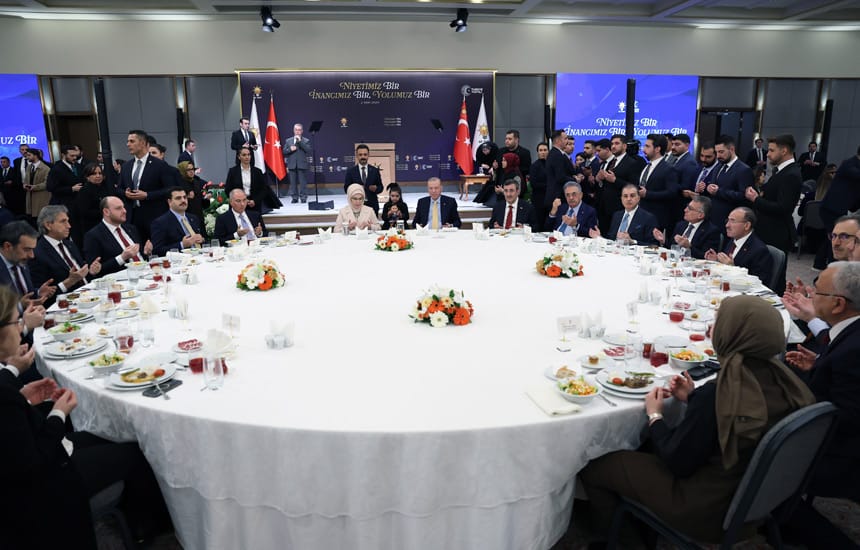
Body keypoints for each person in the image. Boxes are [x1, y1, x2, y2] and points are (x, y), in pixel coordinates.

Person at [580, 295, 814, 544]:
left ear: (730, 335)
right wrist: (693, 399)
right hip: (754, 499)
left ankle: (622, 540)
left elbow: (676, 462)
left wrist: (655, 415)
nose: (713, 329)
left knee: (595, 466)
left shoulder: (718, 393)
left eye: (718, 324)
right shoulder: (788, 383)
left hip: (705, 509)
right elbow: (732, 420)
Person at [0, 286, 172, 549]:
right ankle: (145, 529)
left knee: (109, 434)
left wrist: (23, 396)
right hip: (45, 486)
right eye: (17, 322)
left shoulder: (6, 392)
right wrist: (59, 413)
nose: (21, 327)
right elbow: (33, 461)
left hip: (36, 460)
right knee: (136, 451)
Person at [784, 262, 860, 549]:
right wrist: (819, 364)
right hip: (839, 431)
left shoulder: (853, 350)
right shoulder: (849, 332)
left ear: (838, 304)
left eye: (817, 292)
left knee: (756, 459)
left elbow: (843, 418)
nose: (810, 295)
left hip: (842, 457)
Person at [745, 134, 802, 254]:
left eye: (771, 150)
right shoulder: (782, 171)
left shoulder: (791, 174)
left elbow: (783, 207)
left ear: (784, 151)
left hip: (776, 234)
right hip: (768, 231)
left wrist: (756, 199)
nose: (767, 154)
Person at [30, 205, 100, 296]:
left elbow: (81, 276)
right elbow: (42, 294)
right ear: (48, 225)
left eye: (68, 221)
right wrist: (68, 282)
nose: (69, 226)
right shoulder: (37, 253)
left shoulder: (69, 244)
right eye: (63, 222)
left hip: (90, 293)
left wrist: (91, 272)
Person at [117, 130, 174, 242]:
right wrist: (125, 193)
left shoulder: (160, 165)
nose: (128, 144)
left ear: (143, 143)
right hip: (132, 217)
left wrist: (147, 195)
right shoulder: (126, 166)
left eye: (132, 141)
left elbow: (170, 189)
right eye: (128, 141)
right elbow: (118, 188)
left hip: (154, 215)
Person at [82, 196, 153, 278]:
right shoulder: (93, 236)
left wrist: (147, 253)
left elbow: (141, 258)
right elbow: (95, 271)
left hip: (146, 274)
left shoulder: (131, 228)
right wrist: (122, 258)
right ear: (106, 212)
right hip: (122, 280)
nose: (124, 211)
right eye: (119, 208)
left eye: (124, 207)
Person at [705, 207, 774, 289]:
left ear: (747, 225)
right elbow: (726, 267)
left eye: (732, 221)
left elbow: (758, 283)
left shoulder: (759, 250)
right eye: (727, 221)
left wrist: (733, 268)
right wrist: (716, 261)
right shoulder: (733, 240)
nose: (727, 225)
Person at [704, 135, 754, 231]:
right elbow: (714, 188)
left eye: (721, 152)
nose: (718, 156)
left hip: (730, 220)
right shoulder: (718, 166)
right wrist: (706, 188)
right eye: (716, 152)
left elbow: (744, 197)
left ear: (731, 149)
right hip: (713, 217)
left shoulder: (744, 170)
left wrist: (718, 191)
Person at [595, 134, 643, 235]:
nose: (613, 146)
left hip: (619, 208)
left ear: (624, 146)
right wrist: (598, 179)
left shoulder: (632, 163)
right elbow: (604, 183)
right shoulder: (610, 162)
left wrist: (615, 180)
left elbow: (634, 186)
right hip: (604, 208)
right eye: (612, 144)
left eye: (617, 143)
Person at [0, 221, 57, 304]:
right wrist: (20, 306)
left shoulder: (19, 260)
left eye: (32, 249)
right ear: (8, 246)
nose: (32, 255)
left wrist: (38, 292)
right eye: (27, 249)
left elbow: (25, 293)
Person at [589, 183, 658, 246]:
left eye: (632, 196)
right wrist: (600, 238)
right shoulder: (617, 215)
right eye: (625, 196)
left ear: (638, 198)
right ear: (621, 199)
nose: (628, 199)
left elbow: (653, 245)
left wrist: (633, 241)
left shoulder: (648, 218)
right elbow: (611, 239)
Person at [653, 196, 721, 259]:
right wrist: (663, 240)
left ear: (700, 215)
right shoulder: (680, 225)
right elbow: (672, 248)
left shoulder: (711, 231)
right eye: (687, 206)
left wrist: (689, 247)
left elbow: (707, 257)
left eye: (690, 208)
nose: (685, 210)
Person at [638, 133, 681, 231]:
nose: (643, 150)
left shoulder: (668, 169)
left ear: (657, 149)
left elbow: (672, 193)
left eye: (647, 146)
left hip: (657, 218)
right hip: (641, 215)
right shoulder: (646, 166)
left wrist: (648, 194)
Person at [150, 187, 206, 256]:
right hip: (179, 260)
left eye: (185, 197)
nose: (183, 200)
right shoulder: (160, 223)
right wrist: (182, 245)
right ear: (169, 202)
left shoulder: (194, 218)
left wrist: (202, 239)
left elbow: (204, 239)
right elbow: (157, 251)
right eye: (178, 198)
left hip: (200, 257)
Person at [226, 147, 269, 213]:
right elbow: (228, 189)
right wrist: (240, 200)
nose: (247, 157)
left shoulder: (257, 171)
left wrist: (255, 201)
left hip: (254, 205)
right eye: (244, 155)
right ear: (239, 157)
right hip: (237, 205)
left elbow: (264, 189)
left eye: (249, 154)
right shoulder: (233, 171)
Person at [343, 143, 382, 214]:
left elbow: (381, 187)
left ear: (368, 155)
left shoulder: (375, 170)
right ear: (357, 156)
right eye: (360, 155)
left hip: (372, 207)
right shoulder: (351, 171)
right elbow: (346, 189)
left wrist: (376, 188)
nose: (363, 157)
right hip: (356, 206)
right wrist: (356, 188)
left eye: (365, 154)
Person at [544, 130, 576, 212]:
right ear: (558, 140)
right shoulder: (557, 155)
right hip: (557, 198)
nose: (567, 141)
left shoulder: (556, 153)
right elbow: (560, 177)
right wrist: (575, 179)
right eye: (565, 138)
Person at [46, 144, 84, 210]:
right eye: (72, 156)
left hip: (77, 203)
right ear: (63, 155)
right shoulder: (56, 169)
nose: (75, 158)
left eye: (76, 155)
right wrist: (71, 189)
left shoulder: (78, 166)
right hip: (63, 205)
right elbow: (50, 188)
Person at [21, 148, 50, 224]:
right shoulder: (29, 167)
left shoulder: (46, 168)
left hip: (40, 198)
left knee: (41, 219)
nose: (27, 157)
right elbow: (26, 180)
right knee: (32, 220)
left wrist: (34, 187)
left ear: (35, 156)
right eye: (27, 155)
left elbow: (47, 183)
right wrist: (24, 185)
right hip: (30, 197)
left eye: (29, 155)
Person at [283, 123, 311, 204]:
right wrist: (290, 149)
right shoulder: (288, 141)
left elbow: (308, 150)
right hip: (292, 164)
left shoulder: (306, 140)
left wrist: (300, 142)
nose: (297, 131)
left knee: (303, 183)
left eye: (299, 130)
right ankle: (294, 198)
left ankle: (303, 197)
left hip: (302, 164)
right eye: (296, 130)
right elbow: (284, 151)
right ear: (293, 131)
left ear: (302, 131)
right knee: (293, 183)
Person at [528, 142, 549, 230]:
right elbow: (534, 184)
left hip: (550, 199)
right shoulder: (534, 166)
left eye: (545, 150)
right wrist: (549, 186)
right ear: (537, 152)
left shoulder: (552, 165)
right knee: (539, 223)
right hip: (538, 200)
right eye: (540, 150)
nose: (543, 152)